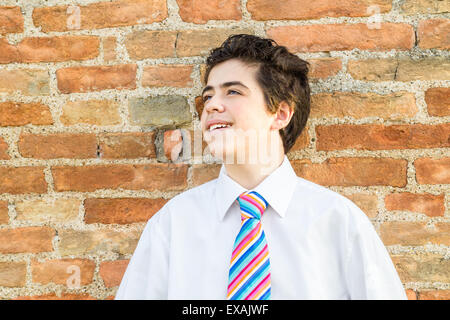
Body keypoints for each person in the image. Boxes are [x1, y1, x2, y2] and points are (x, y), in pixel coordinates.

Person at [115, 34, 407, 300]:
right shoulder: (172, 226)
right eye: (208, 96)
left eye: (232, 92)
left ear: (280, 114)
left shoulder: (339, 224)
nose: (212, 105)